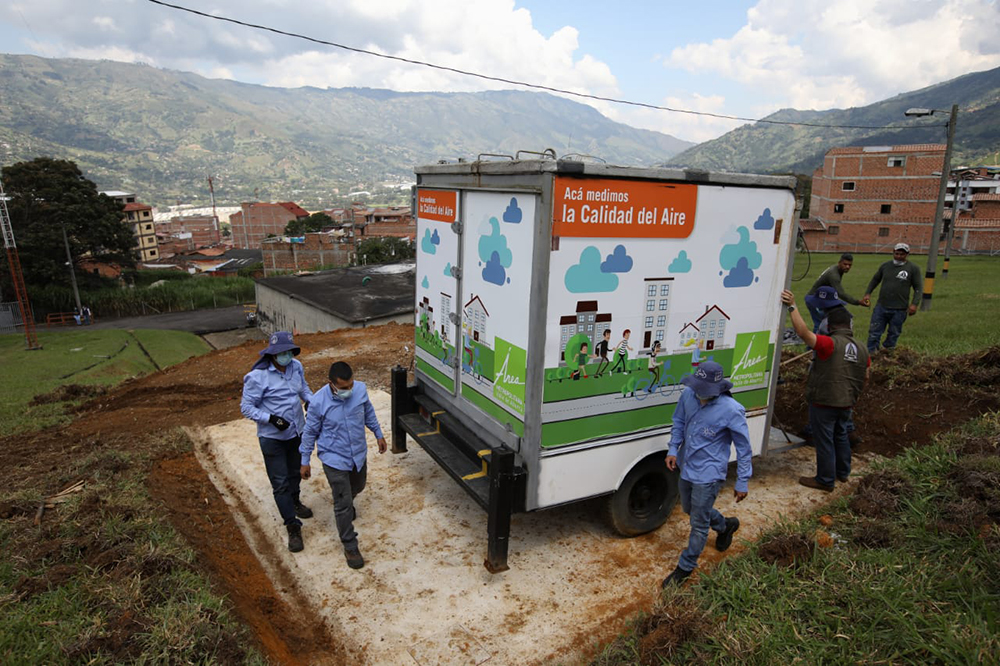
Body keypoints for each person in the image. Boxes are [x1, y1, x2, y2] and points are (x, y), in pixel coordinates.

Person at [661, 361, 751, 587]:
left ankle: (685, 567)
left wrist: (742, 481)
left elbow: (744, 448)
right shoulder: (688, 395)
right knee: (690, 508)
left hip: (709, 474)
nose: (699, 395)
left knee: (698, 523)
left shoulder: (732, 410)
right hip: (686, 466)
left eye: (705, 392)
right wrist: (673, 449)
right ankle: (725, 525)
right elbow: (678, 421)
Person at [300, 361, 387, 570]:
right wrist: (305, 460)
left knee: (359, 486)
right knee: (343, 503)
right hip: (334, 457)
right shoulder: (318, 402)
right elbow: (310, 432)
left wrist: (379, 434)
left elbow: (368, 412)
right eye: (343, 388)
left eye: (351, 385)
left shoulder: (360, 390)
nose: (349, 390)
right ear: (331, 384)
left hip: (358, 454)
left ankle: (346, 502)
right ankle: (350, 545)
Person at [782, 290, 869, 492]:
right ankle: (843, 473)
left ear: (830, 326)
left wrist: (792, 306)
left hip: (825, 401)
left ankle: (825, 479)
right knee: (841, 435)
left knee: (824, 439)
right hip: (847, 402)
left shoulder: (829, 344)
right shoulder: (862, 348)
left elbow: (803, 333)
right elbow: (866, 376)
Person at [241, 331, 314, 553]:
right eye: (281, 353)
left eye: (289, 352)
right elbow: (246, 407)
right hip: (272, 438)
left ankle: (295, 501)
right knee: (280, 481)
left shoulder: (296, 367)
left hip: (296, 432)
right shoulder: (257, 377)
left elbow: (303, 389)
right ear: (272, 354)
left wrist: (311, 403)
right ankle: (292, 526)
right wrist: (271, 419)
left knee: (294, 473)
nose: (286, 356)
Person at [862, 243, 922, 354]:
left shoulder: (912, 268)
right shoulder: (885, 266)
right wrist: (867, 293)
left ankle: (887, 354)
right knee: (874, 332)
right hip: (882, 306)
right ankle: (871, 354)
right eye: (897, 253)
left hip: (899, 309)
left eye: (902, 254)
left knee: (893, 333)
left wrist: (914, 304)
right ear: (893, 252)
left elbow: (918, 288)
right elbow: (875, 280)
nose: (899, 256)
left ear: (907, 254)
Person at [806, 253, 865, 330]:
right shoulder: (834, 275)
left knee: (827, 322)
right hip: (814, 300)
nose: (847, 267)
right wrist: (858, 302)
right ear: (839, 263)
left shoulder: (837, 270)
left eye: (850, 265)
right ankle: (814, 342)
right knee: (820, 324)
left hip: (823, 298)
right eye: (845, 264)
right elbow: (841, 293)